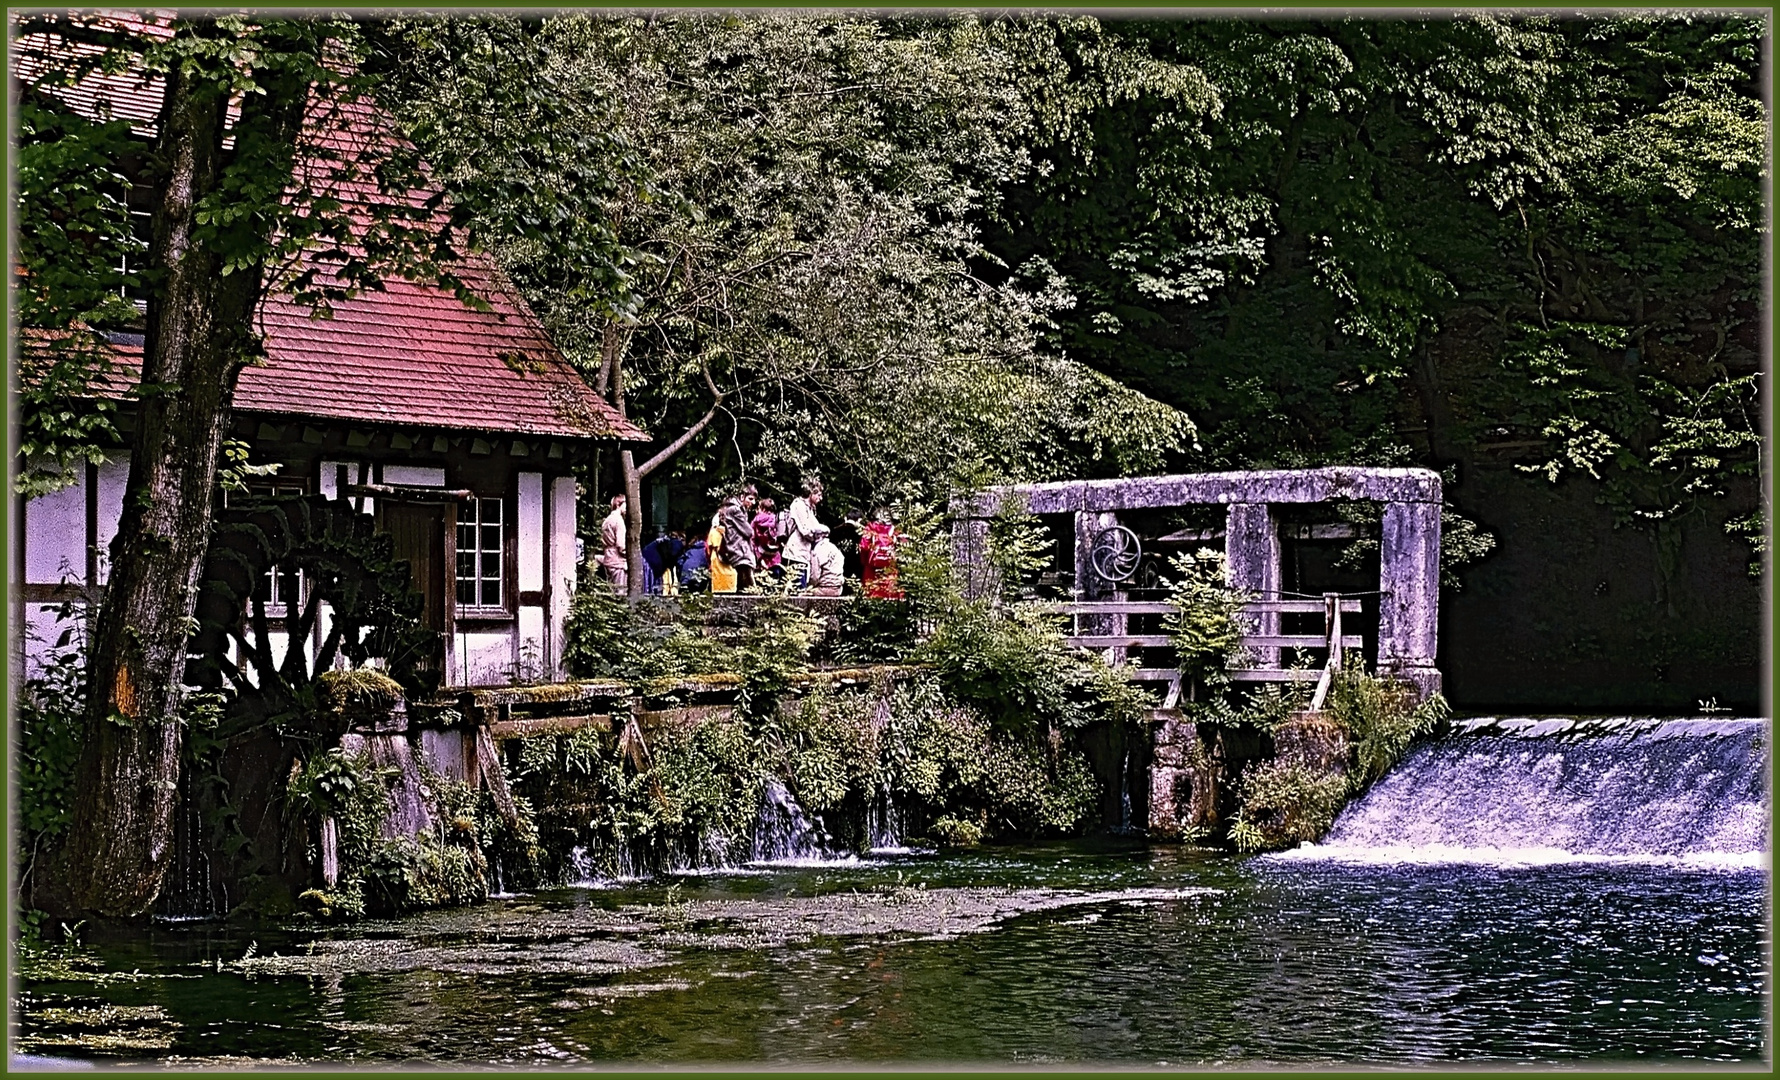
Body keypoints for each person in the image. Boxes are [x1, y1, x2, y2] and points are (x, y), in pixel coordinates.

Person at [780, 477, 825, 587]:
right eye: (818, 495)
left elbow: (816, 529)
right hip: (795, 553)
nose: (821, 498)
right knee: (797, 590)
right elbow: (806, 531)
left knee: (802, 588)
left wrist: (819, 532)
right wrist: (819, 533)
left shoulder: (809, 508)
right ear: (811, 493)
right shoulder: (798, 505)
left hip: (804, 554)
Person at [859, 506, 904, 599]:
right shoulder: (895, 530)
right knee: (891, 596)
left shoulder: (869, 529)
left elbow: (863, 547)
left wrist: (865, 563)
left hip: (871, 571)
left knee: (871, 595)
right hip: (890, 570)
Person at [720, 486, 758, 591]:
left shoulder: (735, 509)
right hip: (739, 551)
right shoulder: (735, 510)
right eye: (750, 499)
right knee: (750, 587)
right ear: (742, 497)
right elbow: (749, 532)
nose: (753, 502)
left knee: (742, 585)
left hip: (739, 550)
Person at [805, 522, 846, 596]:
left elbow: (815, 576)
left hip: (825, 587)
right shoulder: (834, 548)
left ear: (817, 536)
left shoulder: (817, 550)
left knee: (803, 594)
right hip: (838, 588)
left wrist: (809, 586)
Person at [642, 529, 686, 596]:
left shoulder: (664, 540)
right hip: (652, 565)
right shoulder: (677, 544)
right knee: (651, 590)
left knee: (650, 589)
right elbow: (674, 557)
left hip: (647, 563)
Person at [598, 494, 627, 593]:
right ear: (619, 504)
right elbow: (621, 545)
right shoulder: (619, 521)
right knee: (620, 592)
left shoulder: (607, 520)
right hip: (617, 561)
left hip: (608, 558)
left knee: (611, 591)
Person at [707, 501, 737, 594]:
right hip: (731, 572)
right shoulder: (735, 533)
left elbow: (708, 551)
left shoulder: (714, 532)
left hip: (718, 571)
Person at [752, 495, 783, 578]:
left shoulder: (756, 521)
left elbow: (752, 539)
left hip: (762, 557)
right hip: (776, 558)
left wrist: (759, 559)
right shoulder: (777, 520)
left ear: (762, 508)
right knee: (775, 584)